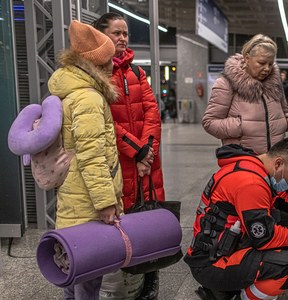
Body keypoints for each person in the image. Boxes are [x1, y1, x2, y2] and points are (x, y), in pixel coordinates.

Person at [184, 137, 288, 299]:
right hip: (212, 265)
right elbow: (265, 238)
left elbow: (280, 198)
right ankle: (236, 296)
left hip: (216, 253)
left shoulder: (251, 166)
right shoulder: (250, 183)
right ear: (278, 163)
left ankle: (226, 290)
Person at [48, 20, 122, 300]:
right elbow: (92, 156)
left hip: (73, 193)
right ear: (98, 63)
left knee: (73, 268)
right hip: (88, 200)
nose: (114, 66)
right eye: (110, 59)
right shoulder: (89, 98)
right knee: (89, 274)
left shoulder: (68, 91)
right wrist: (105, 202)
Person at [93, 12, 165, 299]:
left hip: (146, 162)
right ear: (102, 36)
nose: (122, 38)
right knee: (124, 222)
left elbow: (152, 111)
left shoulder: (136, 72)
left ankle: (150, 278)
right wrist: (137, 151)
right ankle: (126, 281)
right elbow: (107, 120)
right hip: (121, 161)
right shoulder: (98, 74)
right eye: (116, 32)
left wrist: (148, 151)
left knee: (149, 218)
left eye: (125, 33)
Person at [202, 34, 288, 154]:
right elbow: (209, 122)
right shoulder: (227, 84)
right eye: (262, 63)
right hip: (244, 160)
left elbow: (285, 111)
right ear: (247, 59)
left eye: (270, 64)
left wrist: (287, 122)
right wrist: (242, 126)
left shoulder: (274, 83)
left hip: (274, 160)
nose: (267, 68)